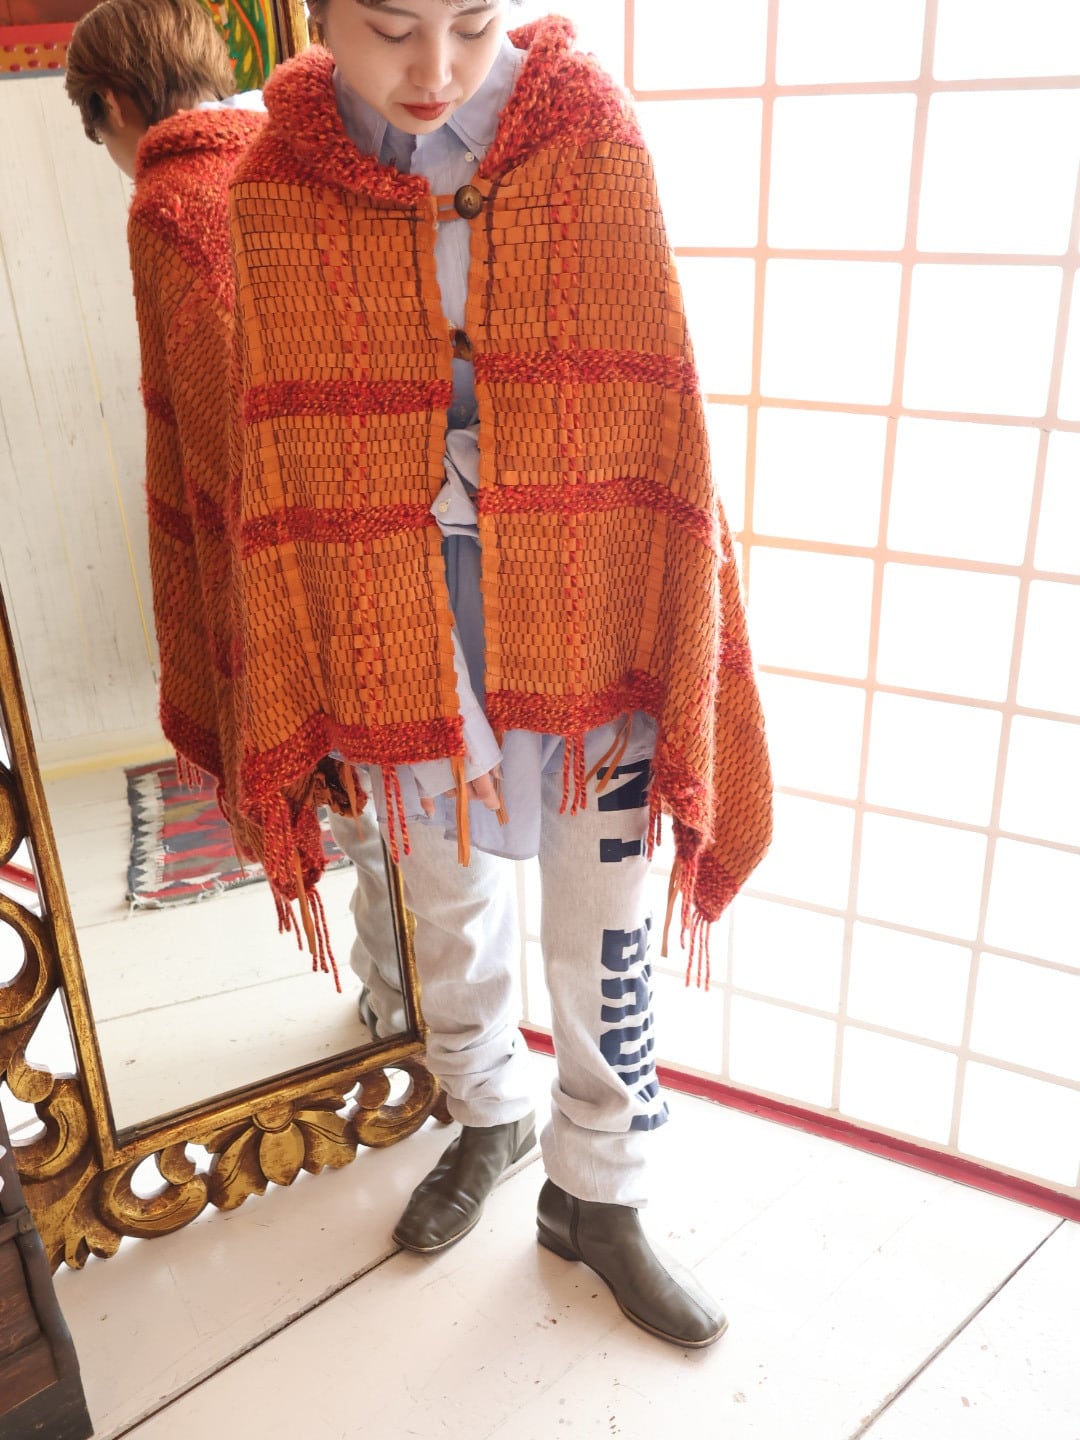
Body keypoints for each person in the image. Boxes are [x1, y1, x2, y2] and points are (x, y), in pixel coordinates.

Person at [227, 0, 773, 1348]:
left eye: (471, 25)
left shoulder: (586, 130)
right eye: (391, 28)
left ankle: (602, 1192)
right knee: (444, 891)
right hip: (396, 600)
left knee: (606, 904)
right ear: (321, 13)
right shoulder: (275, 181)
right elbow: (286, 447)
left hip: (590, 586)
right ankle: (488, 1114)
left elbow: (651, 398)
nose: (436, 70)